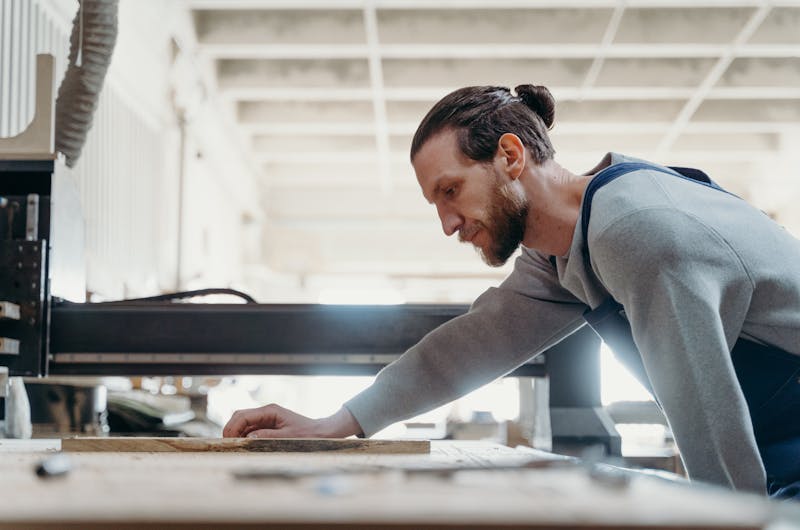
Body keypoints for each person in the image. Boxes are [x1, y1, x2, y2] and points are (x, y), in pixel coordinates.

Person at [224, 84, 800, 499]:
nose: (448, 224)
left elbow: (705, 413)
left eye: (451, 191)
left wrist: (729, 521)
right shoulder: (568, 249)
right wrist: (339, 423)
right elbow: (470, 347)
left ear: (509, 155)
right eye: (437, 205)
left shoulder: (636, 230)